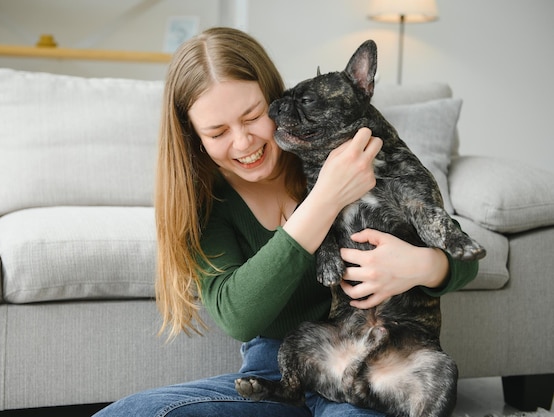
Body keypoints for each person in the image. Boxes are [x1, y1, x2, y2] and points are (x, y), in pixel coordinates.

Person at [94, 27, 479, 417]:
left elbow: (464, 252)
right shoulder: (208, 204)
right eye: (217, 132)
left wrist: (424, 265)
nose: (243, 143)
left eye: (252, 116)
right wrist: (324, 200)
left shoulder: (331, 143)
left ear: (276, 98)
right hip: (279, 371)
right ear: (193, 137)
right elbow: (238, 317)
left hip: (380, 366)